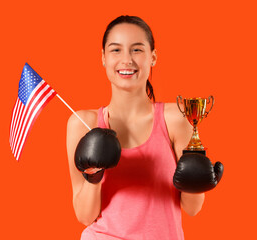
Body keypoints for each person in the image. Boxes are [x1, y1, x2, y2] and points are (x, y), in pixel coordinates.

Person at [66, 15, 221, 240]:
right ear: (103, 58)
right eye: (116, 50)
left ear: (153, 57)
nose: (127, 60)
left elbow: (192, 208)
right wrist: (93, 176)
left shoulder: (176, 118)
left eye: (137, 50)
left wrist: (197, 179)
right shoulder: (83, 123)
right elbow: (83, 215)